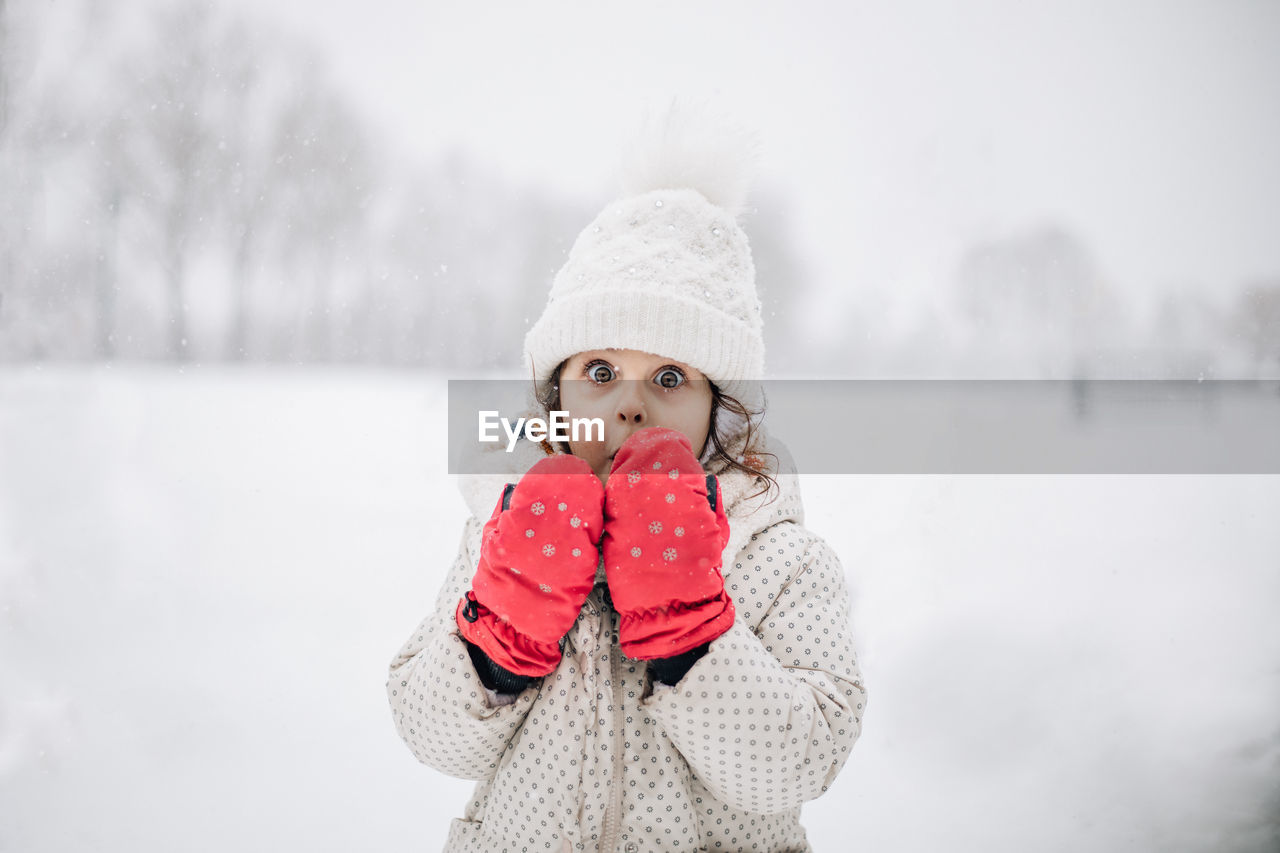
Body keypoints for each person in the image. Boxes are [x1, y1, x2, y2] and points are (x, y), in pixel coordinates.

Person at [386, 110, 866, 852]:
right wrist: (498, 641)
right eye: (600, 371)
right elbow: (433, 735)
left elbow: (801, 761)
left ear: (722, 412)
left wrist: (692, 635)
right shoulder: (502, 527)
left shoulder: (776, 554)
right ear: (556, 396)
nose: (631, 402)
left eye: (670, 376)